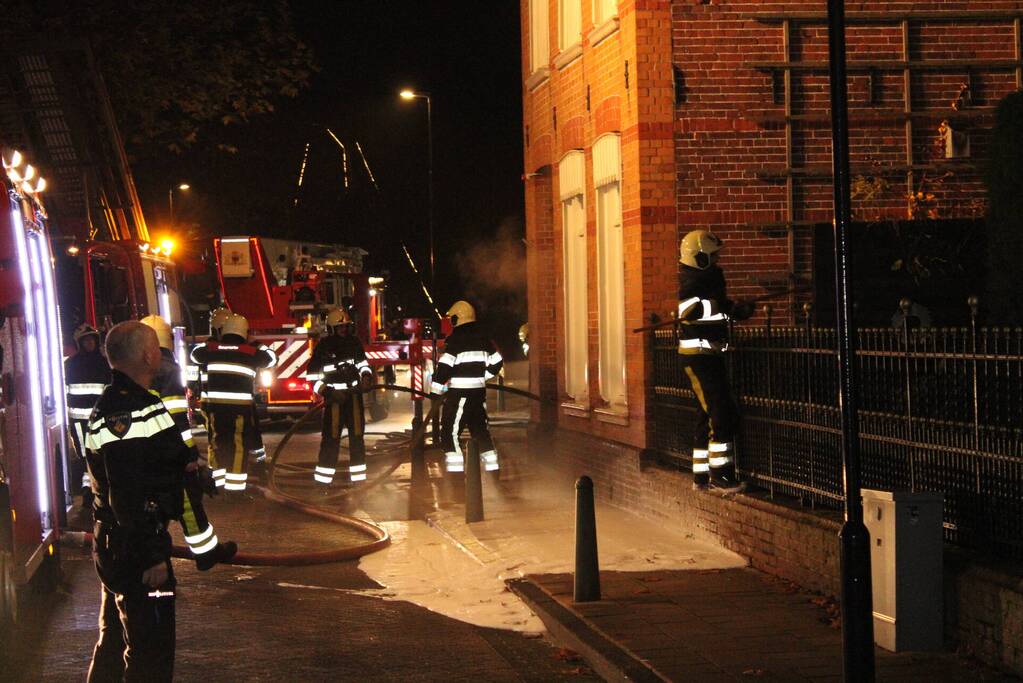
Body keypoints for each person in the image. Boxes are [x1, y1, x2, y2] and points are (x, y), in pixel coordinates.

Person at [84, 322, 187, 681]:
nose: (159, 353)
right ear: (146, 355)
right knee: (150, 657)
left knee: (113, 643)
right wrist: (153, 554)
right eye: (157, 347)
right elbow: (128, 492)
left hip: (117, 545)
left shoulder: (126, 403)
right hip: (137, 553)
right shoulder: (128, 411)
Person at [140, 315, 236, 570]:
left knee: (152, 508)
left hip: (146, 452)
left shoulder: (139, 369)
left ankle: (152, 557)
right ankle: (206, 554)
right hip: (170, 452)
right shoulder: (169, 369)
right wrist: (190, 455)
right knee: (188, 502)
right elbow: (178, 419)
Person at [676, 230, 752, 493]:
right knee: (721, 413)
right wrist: (721, 308)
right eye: (713, 255)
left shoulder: (709, 278)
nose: (717, 259)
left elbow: (718, 306)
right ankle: (721, 475)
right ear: (700, 257)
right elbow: (688, 310)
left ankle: (701, 477)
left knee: (705, 415)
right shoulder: (690, 281)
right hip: (698, 358)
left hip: (710, 355)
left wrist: (736, 310)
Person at [189, 313, 275, 495]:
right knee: (238, 446)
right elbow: (272, 359)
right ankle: (235, 489)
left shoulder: (211, 349)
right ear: (244, 332)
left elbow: (195, 355)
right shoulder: (250, 352)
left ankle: (218, 485)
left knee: (218, 443)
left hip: (214, 408)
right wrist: (256, 343)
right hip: (239, 409)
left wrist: (210, 342)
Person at [430, 301, 503, 474]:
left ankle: (456, 478)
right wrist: (481, 377)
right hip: (478, 395)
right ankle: (494, 472)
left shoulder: (455, 341)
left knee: (449, 434)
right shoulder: (484, 339)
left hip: (459, 397)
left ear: (457, 319)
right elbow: (497, 362)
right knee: (480, 432)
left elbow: (444, 370)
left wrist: (435, 393)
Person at [305, 308, 374, 487]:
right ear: (332, 328)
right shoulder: (323, 347)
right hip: (334, 400)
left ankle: (359, 481)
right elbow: (312, 378)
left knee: (357, 439)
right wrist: (328, 392)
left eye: (346, 326)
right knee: (331, 440)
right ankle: (323, 482)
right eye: (340, 327)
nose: (344, 330)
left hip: (353, 398)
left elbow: (363, 364)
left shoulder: (354, 343)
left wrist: (366, 376)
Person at [65, 323, 111, 503]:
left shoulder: (104, 363)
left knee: (101, 452)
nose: (89, 343)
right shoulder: (70, 365)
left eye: (92, 340)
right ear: (79, 343)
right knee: (85, 455)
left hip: (101, 417)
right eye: (86, 341)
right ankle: (88, 490)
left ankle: (100, 488)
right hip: (78, 420)